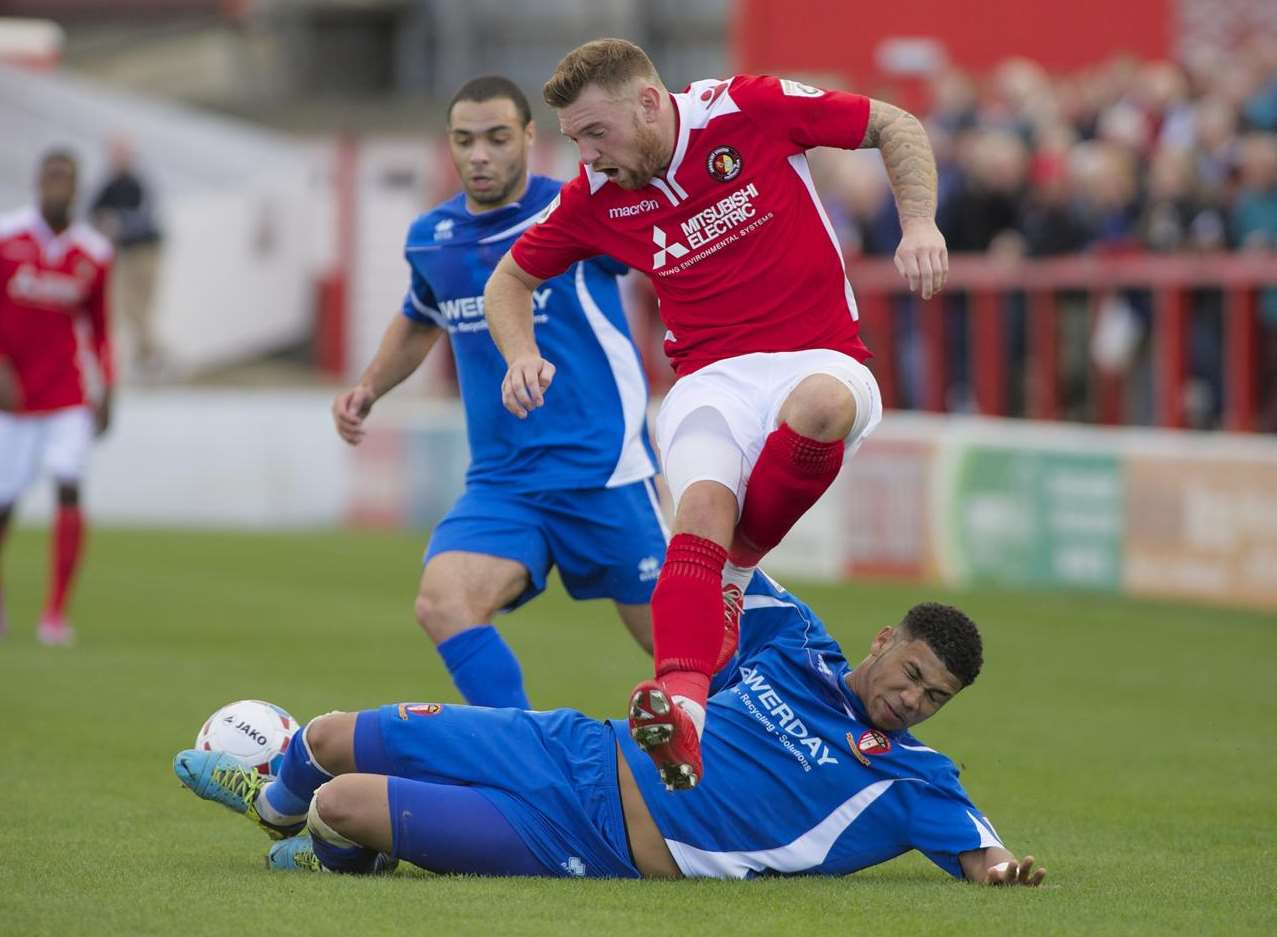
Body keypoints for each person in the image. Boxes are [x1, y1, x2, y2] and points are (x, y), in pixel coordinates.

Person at [481, 39, 949, 788]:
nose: (587, 155)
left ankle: (736, 566)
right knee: (698, 507)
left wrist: (917, 223)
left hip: (819, 353)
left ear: (646, 102)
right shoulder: (595, 197)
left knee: (820, 407)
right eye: (574, 139)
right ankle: (682, 717)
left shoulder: (745, 108)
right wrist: (518, 354)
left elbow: (895, 124)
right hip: (709, 379)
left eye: (594, 133)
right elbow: (507, 280)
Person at [173, 573, 1046, 887]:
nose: (912, 701)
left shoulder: (911, 777)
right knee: (328, 734)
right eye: (911, 676)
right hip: (574, 745)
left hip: (586, 838)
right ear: (883, 642)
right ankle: (268, 804)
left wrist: (1005, 872)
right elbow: (720, 550)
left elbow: (982, 854)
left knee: (349, 806)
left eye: (934, 697)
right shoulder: (793, 638)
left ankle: (315, 840)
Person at [331, 76, 668, 709]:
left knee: (687, 656)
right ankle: (521, 760)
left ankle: (788, 767)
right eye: (464, 140)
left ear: (530, 138)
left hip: (603, 471)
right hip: (505, 482)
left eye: (496, 138)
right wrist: (368, 389)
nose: (479, 154)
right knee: (443, 601)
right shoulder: (432, 237)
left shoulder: (579, 207)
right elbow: (419, 317)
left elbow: (670, 250)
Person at [0, 149, 115, 644]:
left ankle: (55, 612)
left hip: (67, 392)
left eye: (66, 175)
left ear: (77, 186)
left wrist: (107, 384)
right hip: (14, 396)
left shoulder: (93, 252)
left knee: (70, 483)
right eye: (51, 173)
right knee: (4, 501)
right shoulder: (8, 238)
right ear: (37, 180)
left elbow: (102, 330)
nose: (58, 183)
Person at [90, 136, 164, 378]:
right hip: (121, 254)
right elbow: (93, 214)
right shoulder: (109, 185)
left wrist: (119, 223)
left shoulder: (138, 184)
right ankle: (124, 360)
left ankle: (149, 358)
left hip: (143, 252)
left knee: (139, 308)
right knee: (117, 307)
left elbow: (146, 218)